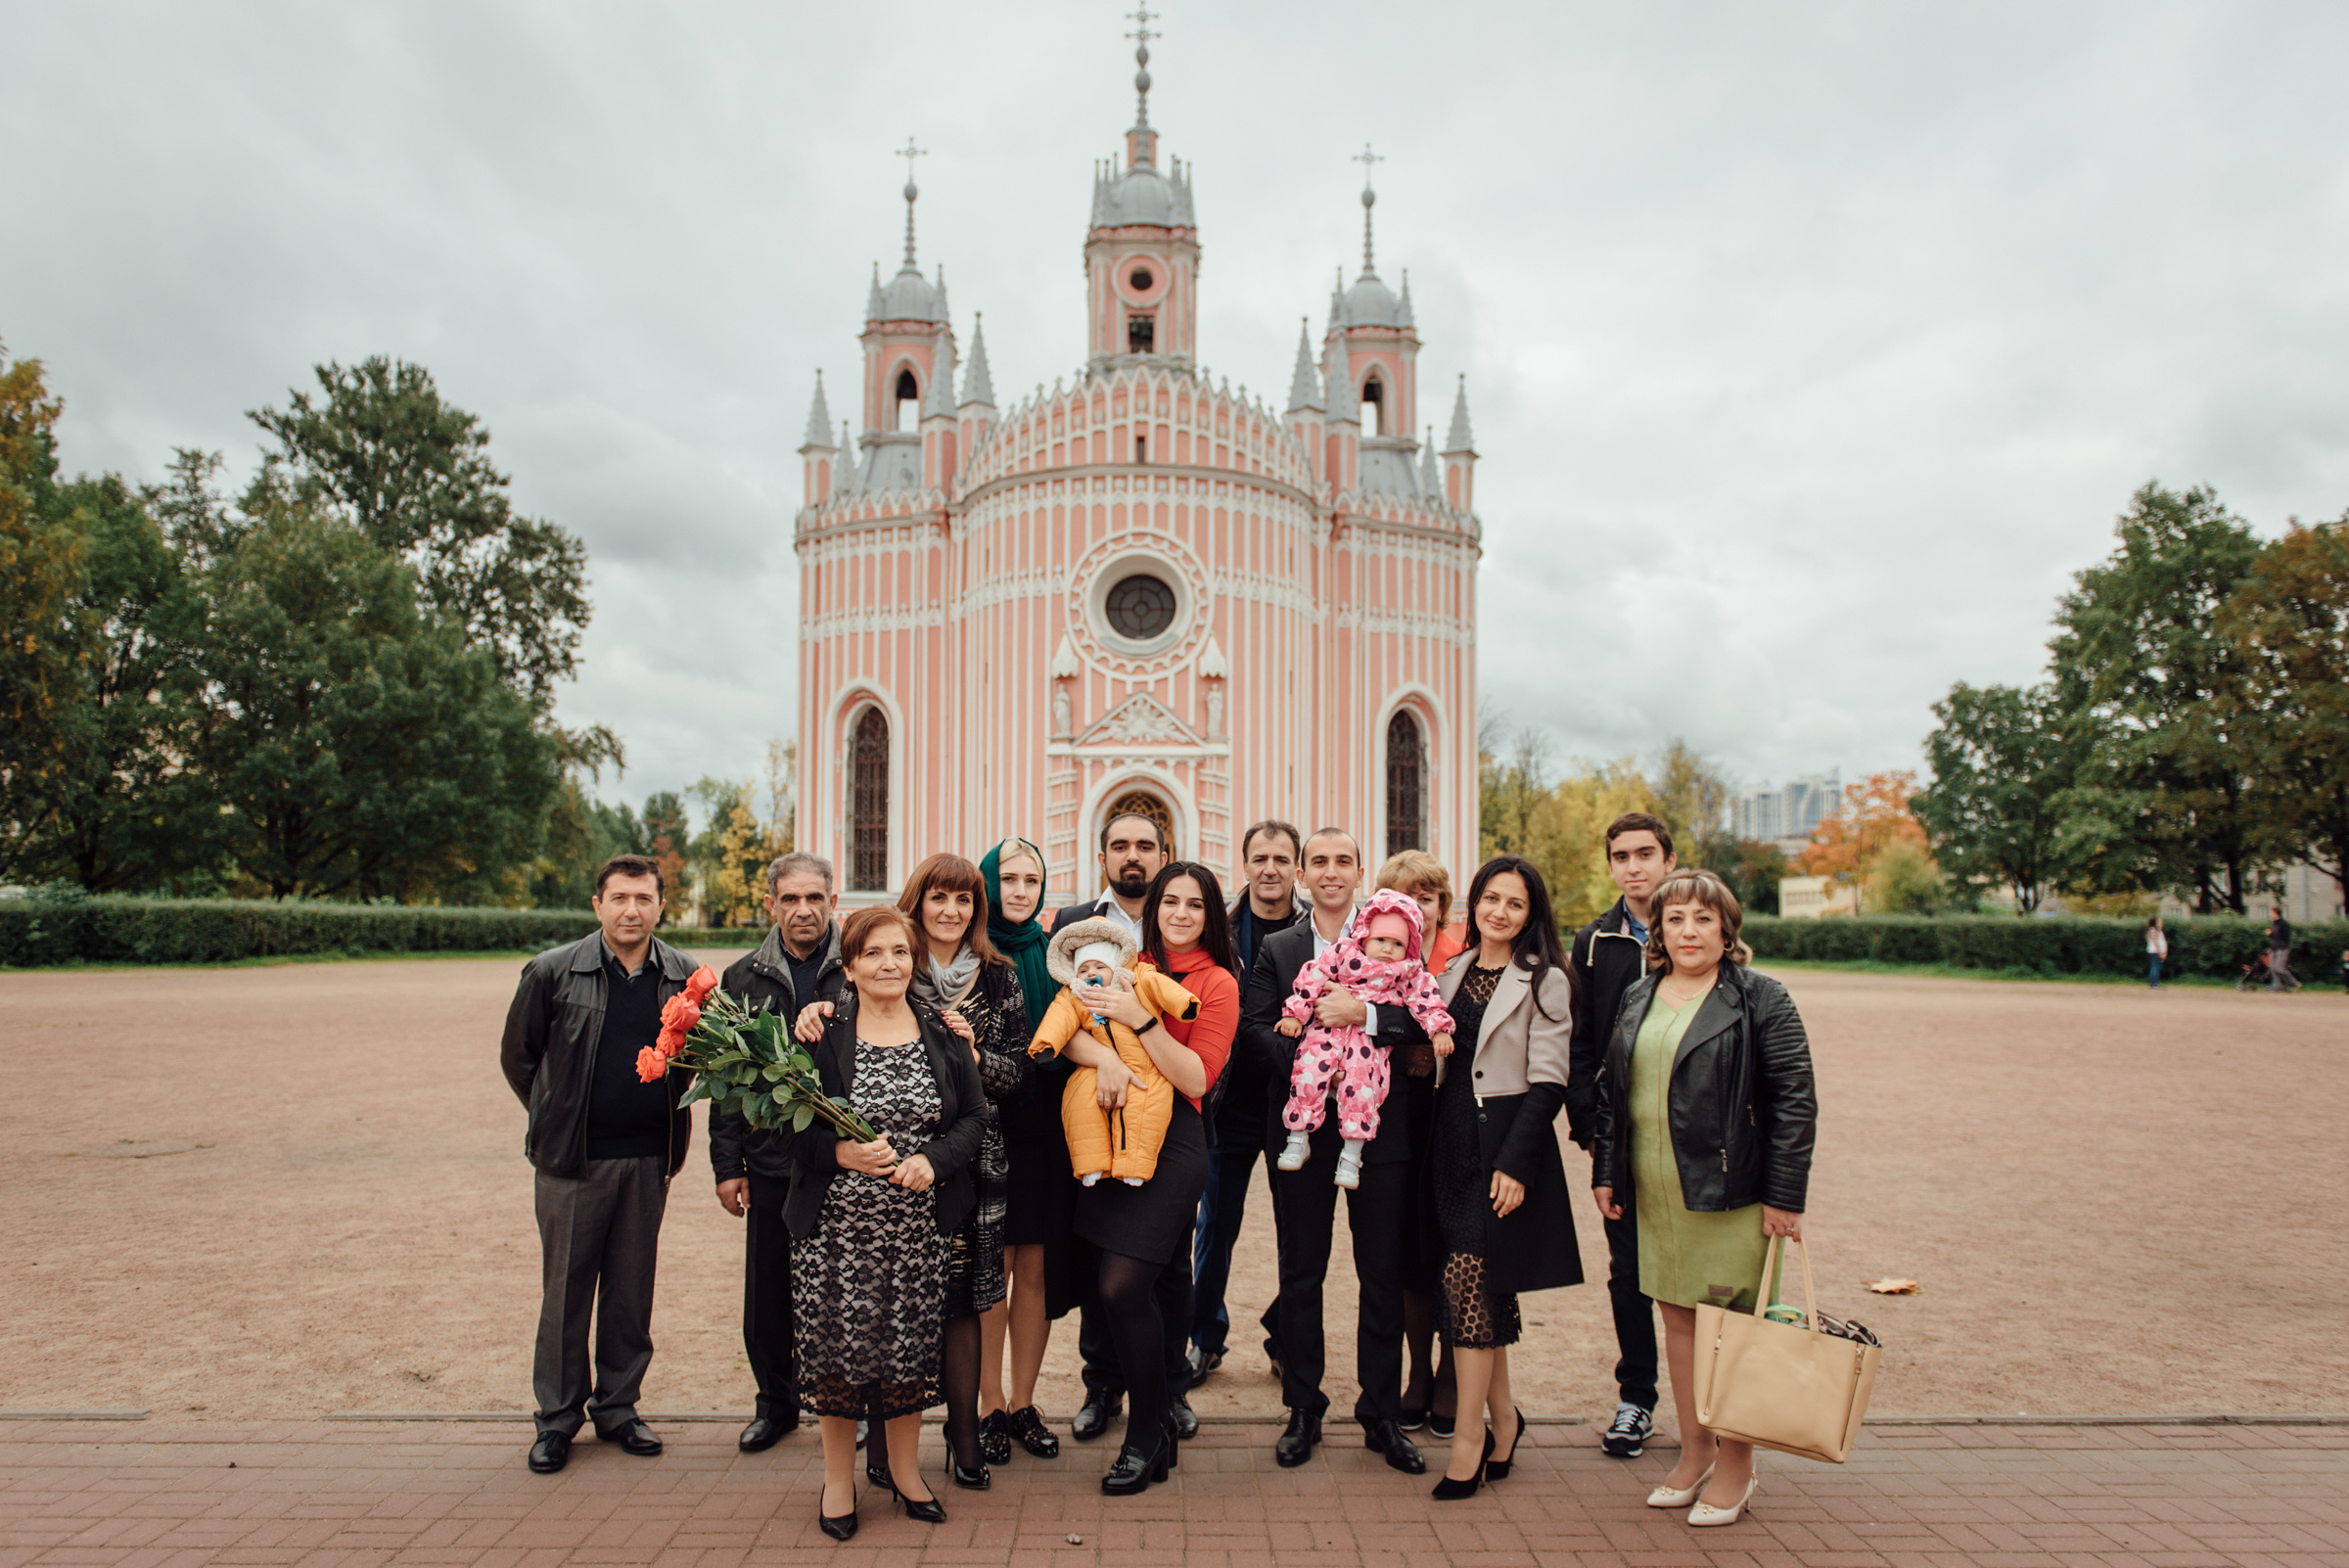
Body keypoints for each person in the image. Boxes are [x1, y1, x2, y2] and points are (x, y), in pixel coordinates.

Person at [1592, 869, 1819, 1530]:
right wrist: (1609, 1171)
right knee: (1681, 1327)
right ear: (1658, 931)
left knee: (1734, 1335)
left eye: (1702, 919)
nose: (1689, 931)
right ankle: (1694, 1453)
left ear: (1726, 928)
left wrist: (1784, 1195)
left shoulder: (1760, 998)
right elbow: (1613, 1096)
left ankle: (1737, 1466)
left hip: (1732, 1196)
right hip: (1657, 1193)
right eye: (1676, 920)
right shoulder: (1638, 995)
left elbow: (1795, 1102)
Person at [787, 905, 988, 1541]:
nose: (888, 964)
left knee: (907, 1355)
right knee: (839, 1359)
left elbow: (973, 1122)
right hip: (836, 1234)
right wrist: (839, 1153)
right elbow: (785, 1130)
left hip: (916, 1231)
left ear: (914, 961)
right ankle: (838, 1482)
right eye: (872, 953)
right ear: (848, 967)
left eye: (899, 952)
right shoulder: (821, 1037)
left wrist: (934, 1160)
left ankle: (906, 1473)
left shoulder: (944, 1035)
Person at [498, 853, 697, 1476]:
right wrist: (556, 1113)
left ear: (661, 905)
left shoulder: (686, 978)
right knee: (565, 1294)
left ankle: (618, 1408)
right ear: (598, 905)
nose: (631, 910)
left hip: (647, 1159)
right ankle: (557, 1420)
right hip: (572, 1163)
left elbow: (699, 1064)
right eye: (619, 898)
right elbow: (519, 1057)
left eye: (643, 898)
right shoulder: (553, 971)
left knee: (631, 1292)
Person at [1244, 828, 1434, 1476]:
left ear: (1359, 872)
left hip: (1377, 1127)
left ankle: (1380, 1412)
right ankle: (1304, 1407)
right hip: (1301, 1126)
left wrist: (1365, 1017)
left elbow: (1421, 1018)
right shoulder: (1280, 946)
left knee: (1380, 1271)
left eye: (1342, 862)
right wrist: (1315, 1069)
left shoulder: (1395, 932)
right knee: (1303, 1272)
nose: (1330, 872)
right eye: (1318, 862)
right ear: (1302, 873)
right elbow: (1256, 1025)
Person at [1057, 862, 1240, 1493]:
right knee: (1143, 1284)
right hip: (1110, 1131)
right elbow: (1071, 1026)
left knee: (1121, 1285)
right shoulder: (1120, 957)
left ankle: (1148, 1427)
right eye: (1171, 902)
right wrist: (1105, 1053)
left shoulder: (1216, 983)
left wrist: (1139, 1019)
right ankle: (1153, 1429)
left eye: (1195, 904)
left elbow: (1197, 1078)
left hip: (1176, 1141)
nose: (1182, 913)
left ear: (1210, 913)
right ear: (1153, 909)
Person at [1425, 854, 1581, 1499]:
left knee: (1467, 1288)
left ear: (1530, 913)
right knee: (1480, 1296)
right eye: (1492, 898)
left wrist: (1517, 1163)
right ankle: (1507, 1418)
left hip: (1500, 1154)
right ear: (1475, 902)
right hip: (1449, 1150)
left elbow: (1549, 1080)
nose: (1500, 912)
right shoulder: (1455, 968)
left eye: (1515, 903)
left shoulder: (1543, 980)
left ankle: (1470, 1440)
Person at [898, 853, 1033, 1491]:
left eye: (962, 900)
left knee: (968, 1297)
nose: (950, 911)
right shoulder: (891, 966)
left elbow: (1016, 1073)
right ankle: (887, 1427)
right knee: (898, 1296)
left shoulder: (1000, 979)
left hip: (978, 1162)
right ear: (918, 901)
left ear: (977, 910)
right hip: (902, 1165)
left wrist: (973, 1054)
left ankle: (965, 1432)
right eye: (938, 898)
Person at [712, 852, 847, 1455]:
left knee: (847, 1286)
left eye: (814, 898)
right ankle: (776, 1404)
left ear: (832, 902)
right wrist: (726, 1166)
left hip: (844, 1157)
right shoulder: (742, 979)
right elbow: (725, 1082)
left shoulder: (860, 967)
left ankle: (851, 1403)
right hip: (771, 1161)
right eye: (790, 899)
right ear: (770, 905)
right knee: (769, 1291)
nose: (803, 910)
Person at [1051, 812, 1178, 1441]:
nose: (1134, 856)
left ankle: (1167, 1388)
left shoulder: (1178, 923)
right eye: (1121, 845)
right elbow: (1059, 1014)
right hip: (1096, 1112)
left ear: (1164, 854)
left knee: (1168, 1259)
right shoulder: (1072, 926)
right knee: (1102, 1248)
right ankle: (1101, 1386)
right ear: (1102, 854)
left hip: (1166, 1117)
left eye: (1145, 846)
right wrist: (1100, 1057)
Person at [1566, 811, 1676, 1459]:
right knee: (1628, 1272)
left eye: (1644, 854)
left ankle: (1711, 1405)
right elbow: (1581, 1043)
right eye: (1621, 856)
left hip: (1689, 1139)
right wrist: (1589, 1128)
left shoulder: (1698, 926)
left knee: (1701, 1275)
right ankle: (1637, 1398)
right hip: (1622, 1139)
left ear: (1667, 859)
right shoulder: (1594, 942)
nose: (1633, 867)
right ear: (1610, 866)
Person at [1189, 820, 1307, 1385]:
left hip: (1297, 1103)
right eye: (1260, 858)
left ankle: (1286, 1335)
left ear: (1296, 869)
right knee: (1215, 1225)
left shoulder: (1317, 931)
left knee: (1297, 1226)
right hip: (1229, 1099)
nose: (1270, 869)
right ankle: (1204, 1336)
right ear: (1245, 865)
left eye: (1281, 859)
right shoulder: (1222, 929)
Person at [974, 837, 1067, 1462]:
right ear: (988, 883)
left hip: (1047, 1131)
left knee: (1033, 1267)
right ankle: (987, 1405)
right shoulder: (969, 956)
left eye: (1031, 881)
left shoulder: (1055, 954)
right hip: (984, 1133)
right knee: (990, 1271)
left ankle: (1024, 1402)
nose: (1020, 891)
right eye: (1008, 879)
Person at [1273, 890, 1457, 1188]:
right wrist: (1296, 1013)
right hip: (1325, 1032)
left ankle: (1352, 1155)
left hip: (1366, 1045)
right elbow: (1312, 978)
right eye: (1381, 940)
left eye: (1397, 943)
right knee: (1307, 1070)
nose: (1387, 949)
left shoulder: (1409, 972)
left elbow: (1427, 1001)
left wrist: (1438, 1030)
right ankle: (1298, 1137)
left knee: (1363, 1088)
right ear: (1365, 935)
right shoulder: (1343, 954)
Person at [1372, 849, 1461, 1436]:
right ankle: (1418, 1372)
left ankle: (1454, 1373)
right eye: (1406, 898)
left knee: (1454, 1245)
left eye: (1427, 898)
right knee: (1406, 1247)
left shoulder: (1459, 962)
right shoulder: (1374, 957)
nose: (1418, 909)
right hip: (1397, 1112)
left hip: (1452, 1115)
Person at [1029, 919, 1201, 1184]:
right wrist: (1046, 1045)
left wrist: (1184, 1004)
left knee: (1146, 1106)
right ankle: (1090, 1164)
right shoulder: (1074, 995)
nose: (1091, 973)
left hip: (1144, 1065)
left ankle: (1134, 1165)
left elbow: (1162, 987)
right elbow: (1058, 1019)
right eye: (1084, 968)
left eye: (1099, 966)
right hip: (1093, 1066)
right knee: (1079, 1102)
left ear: (1115, 965)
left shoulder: (1137, 978)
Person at [2269, 906, 2298, 991]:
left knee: (2279, 968)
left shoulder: (2283, 924)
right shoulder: (2274, 924)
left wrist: (2283, 946)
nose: (2271, 914)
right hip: (2273, 948)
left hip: (2282, 948)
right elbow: (2275, 937)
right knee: (2273, 968)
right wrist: (2270, 935)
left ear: (2276, 913)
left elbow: (2286, 937)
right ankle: (2277, 986)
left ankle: (2293, 983)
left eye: (2272, 912)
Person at [2144, 915, 2167, 989]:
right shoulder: (2153, 930)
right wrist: (2159, 951)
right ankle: (2154, 983)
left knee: (2155, 967)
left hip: (2154, 951)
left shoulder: (2154, 930)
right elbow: (2155, 941)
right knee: (2155, 967)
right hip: (2155, 951)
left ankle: (2153, 983)